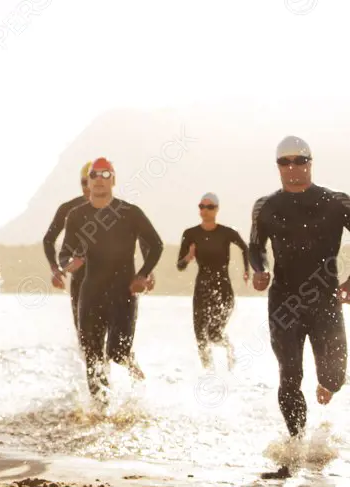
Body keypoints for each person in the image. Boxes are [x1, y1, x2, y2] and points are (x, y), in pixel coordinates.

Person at [248, 135, 350, 479]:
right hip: (285, 303)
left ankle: (329, 386)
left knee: (334, 377)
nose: (293, 167)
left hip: (325, 300)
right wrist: (260, 270)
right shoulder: (266, 206)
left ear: (310, 161)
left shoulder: (336, 201)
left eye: (299, 160)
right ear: (277, 166)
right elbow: (255, 247)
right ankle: (294, 449)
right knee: (289, 375)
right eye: (285, 161)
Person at [59, 157, 163, 405]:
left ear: (114, 180)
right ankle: (101, 411)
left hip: (123, 294)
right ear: (89, 181)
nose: (99, 180)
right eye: (95, 175)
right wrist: (67, 264)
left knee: (117, 353)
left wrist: (143, 274)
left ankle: (137, 381)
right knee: (93, 358)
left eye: (106, 175)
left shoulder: (130, 213)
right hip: (91, 294)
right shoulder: (76, 215)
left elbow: (156, 244)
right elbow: (64, 252)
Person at [177, 192, 249, 371]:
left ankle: (230, 353)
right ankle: (208, 372)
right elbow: (180, 265)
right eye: (202, 207)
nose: (205, 211)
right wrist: (188, 257)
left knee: (214, 334)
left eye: (209, 207)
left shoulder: (226, 232)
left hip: (223, 287)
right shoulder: (191, 234)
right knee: (200, 334)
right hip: (202, 287)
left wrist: (247, 271)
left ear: (217, 209)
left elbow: (245, 248)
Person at [45, 161, 93, 332]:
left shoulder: (117, 208)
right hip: (80, 278)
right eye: (84, 182)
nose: (88, 187)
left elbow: (138, 237)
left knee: (117, 344)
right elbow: (48, 239)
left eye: (92, 180)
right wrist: (55, 269)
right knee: (84, 336)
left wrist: (145, 272)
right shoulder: (69, 209)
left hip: (113, 279)